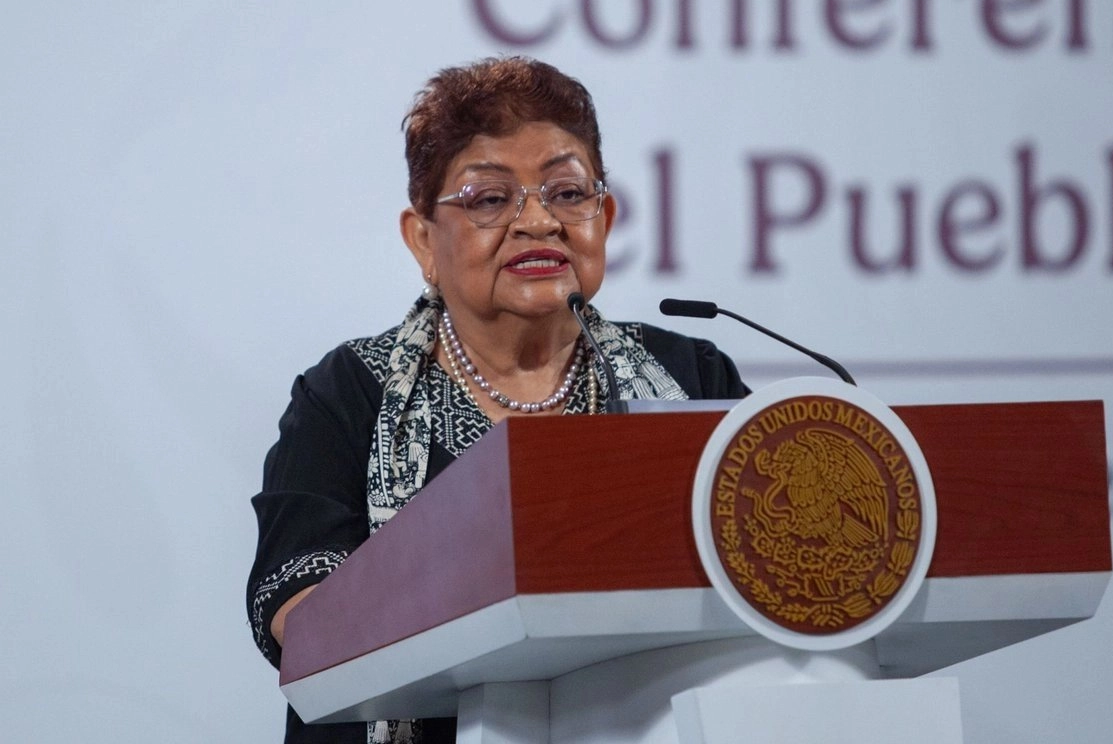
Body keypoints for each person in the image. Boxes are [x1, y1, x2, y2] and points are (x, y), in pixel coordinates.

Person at [246, 56, 750, 744]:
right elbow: (298, 612)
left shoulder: (690, 375)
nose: (538, 220)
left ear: (604, 217)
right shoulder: (348, 392)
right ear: (423, 239)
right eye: (489, 199)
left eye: (567, 192)